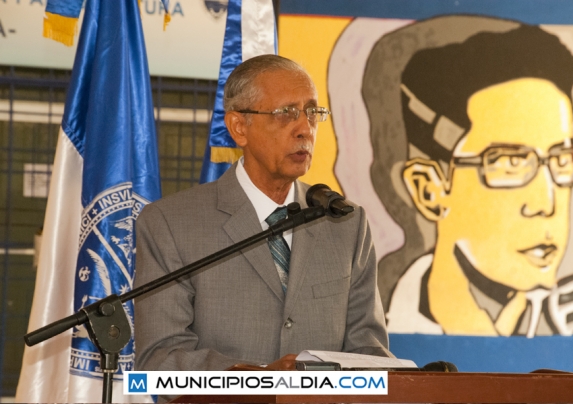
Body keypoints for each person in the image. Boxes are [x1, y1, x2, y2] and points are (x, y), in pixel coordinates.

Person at [134, 55, 391, 378]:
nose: (304, 129)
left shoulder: (345, 222)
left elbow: (368, 353)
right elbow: (160, 360)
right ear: (239, 127)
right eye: (286, 113)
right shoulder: (170, 224)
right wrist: (260, 378)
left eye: (312, 113)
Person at [366, 24, 573, 336]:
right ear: (429, 189)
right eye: (511, 162)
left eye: (561, 160)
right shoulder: (373, 330)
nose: (546, 203)